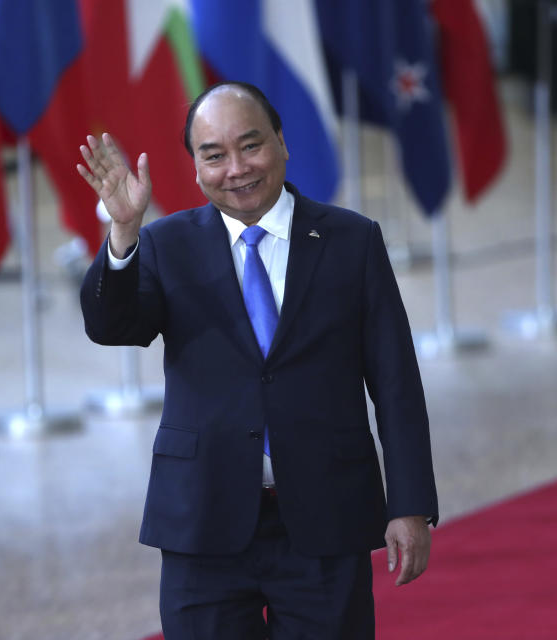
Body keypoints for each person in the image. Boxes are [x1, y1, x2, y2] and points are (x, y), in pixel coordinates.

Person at [77, 81, 438, 639]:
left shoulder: (351, 241)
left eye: (251, 146)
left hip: (324, 517)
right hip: (204, 523)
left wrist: (409, 503)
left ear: (282, 143)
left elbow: (396, 385)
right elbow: (112, 326)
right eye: (213, 155)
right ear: (195, 167)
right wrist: (123, 233)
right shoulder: (167, 244)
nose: (236, 168)